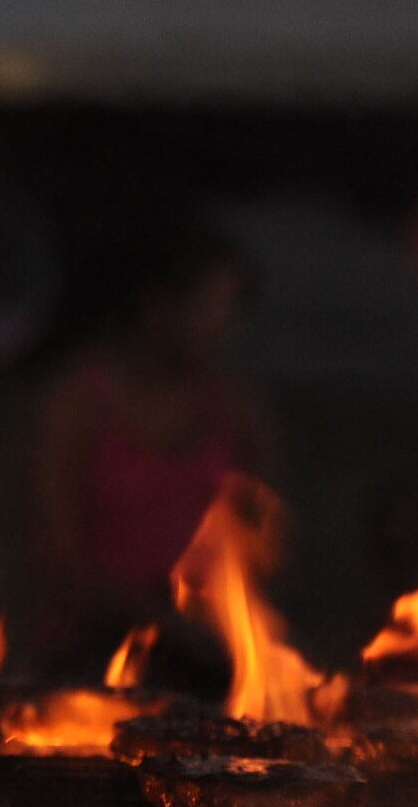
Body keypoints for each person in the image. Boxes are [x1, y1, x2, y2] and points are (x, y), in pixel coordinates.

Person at [32, 220, 275, 677]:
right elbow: (60, 567)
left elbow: (258, 547)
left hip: (202, 648)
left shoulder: (236, 413)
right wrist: (161, 619)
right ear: (155, 305)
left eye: (230, 310)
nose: (221, 326)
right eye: (209, 307)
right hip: (91, 649)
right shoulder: (80, 405)